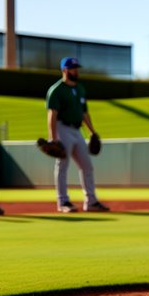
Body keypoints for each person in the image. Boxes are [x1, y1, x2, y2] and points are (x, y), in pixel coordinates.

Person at [46, 56, 109, 213]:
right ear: (64, 70)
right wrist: (53, 138)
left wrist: (92, 132)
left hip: (77, 130)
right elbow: (52, 115)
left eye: (76, 68)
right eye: (72, 69)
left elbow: (84, 113)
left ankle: (91, 201)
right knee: (63, 165)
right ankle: (63, 201)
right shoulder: (57, 90)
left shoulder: (80, 89)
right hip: (62, 128)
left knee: (87, 166)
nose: (76, 71)